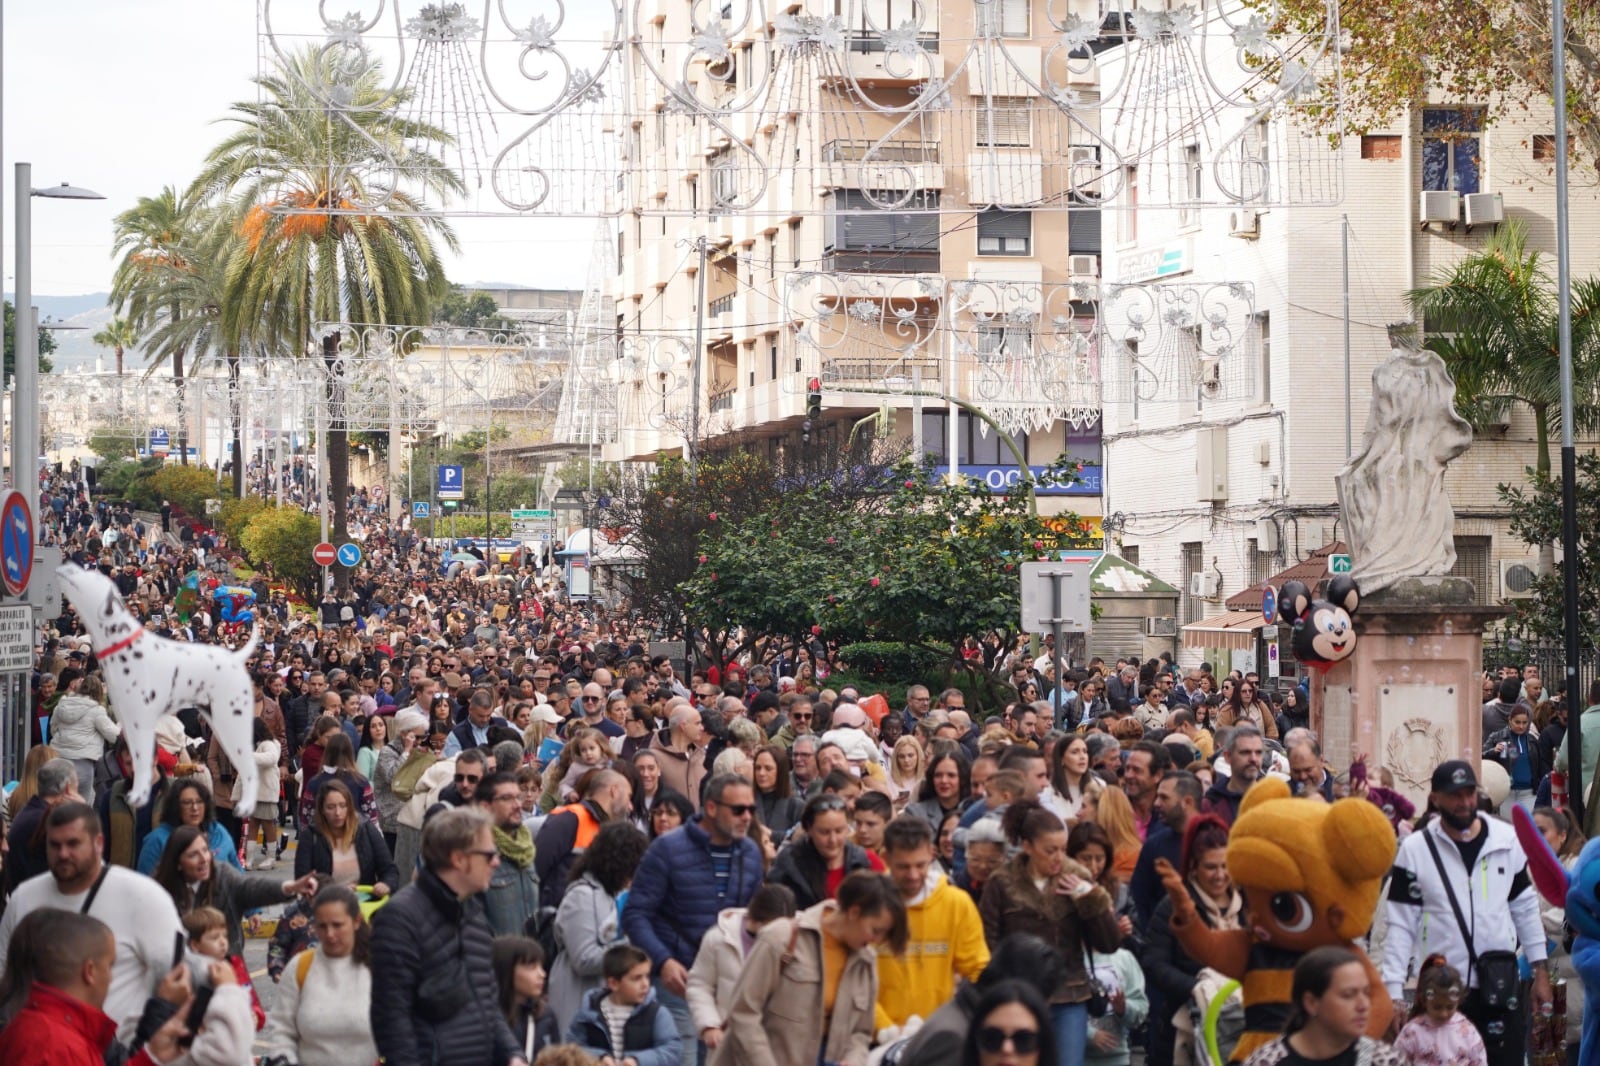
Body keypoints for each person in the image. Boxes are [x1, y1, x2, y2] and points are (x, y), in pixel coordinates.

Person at [1382, 759, 1550, 1066]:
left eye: (1469, 793)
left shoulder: (1505, 838)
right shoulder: (1415, 848)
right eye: (1455, 794)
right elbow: (1400, 925)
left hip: (1498, 983)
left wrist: (1540, 970)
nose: (1465, 802)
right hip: (1440, 990)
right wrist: (1393, 991)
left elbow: (1524, 907)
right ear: (1435, 799)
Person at [0, 803, 186, 1040]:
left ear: (99, 843)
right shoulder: (23, 898)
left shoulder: (144, 897)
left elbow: (176, 978)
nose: (63, 854)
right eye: (54, 845)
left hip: (120, 1052)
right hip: (41, 1049)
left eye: (73, 844)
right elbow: (6, 976)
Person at [624, 773, 766, 1066]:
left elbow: (753, 919)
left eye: (752, 810)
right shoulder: (667, 849)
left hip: (728, 985)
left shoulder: (750, 853)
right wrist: (664, 961)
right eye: (738, 809)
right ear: (711, 808)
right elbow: (636, 914)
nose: (747, 817)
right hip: (679, 981)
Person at [370, 806, 529, 1066]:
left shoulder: (472, 912)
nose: (496, 862)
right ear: (459, 859)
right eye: (489, 855)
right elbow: (392, 1019)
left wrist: (513, 1054)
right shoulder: (400, 918)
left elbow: (487, 1002)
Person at [711, 870, 907, 1066]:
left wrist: (854, 1059)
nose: (877, 940)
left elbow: (861, 1032)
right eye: (875, 930)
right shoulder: (782, 937)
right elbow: (744, 1011)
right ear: (854, 912)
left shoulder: (866, 961)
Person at [979, 799, 1122, 1065]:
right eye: (1050, 850)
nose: (1059, 857)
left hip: (1070, 993)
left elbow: (1109, 943)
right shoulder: (1001, 883)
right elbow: (987, 945)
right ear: (1027, 847)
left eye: (1063, 849)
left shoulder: (1078, 877)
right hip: (1017, 996)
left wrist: (1089, 898)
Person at [0, 909, 191, 1066]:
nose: (111, 977)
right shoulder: (58, 1045)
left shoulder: (50, 1030)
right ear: (89, 971)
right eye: (109, 965)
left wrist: (151, 1056)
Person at [1140, 814, 1240, 1066]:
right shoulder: (1173, 906)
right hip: (1185, 1026)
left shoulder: (1248, 904)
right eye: (1211, 867)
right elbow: (1153, 962)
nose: (1220, 875)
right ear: (1194, 866)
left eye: (1225, 866)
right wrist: (1196, 988)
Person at [875, 814, 991, 1030]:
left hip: (939, 1037)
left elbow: (978, 970)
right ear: (885, 858)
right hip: (879, 1040)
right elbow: (855, 982)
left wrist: (956, 1022)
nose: (913, 875)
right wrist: (885, 1029)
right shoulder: (869, 905)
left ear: (931, 854)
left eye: (920, 865)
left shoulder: (955, 903)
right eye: (903, 867)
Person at [895, 934, 1067, 1066]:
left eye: (1023, 1040)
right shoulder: (954, 1038)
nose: (1007, 1049)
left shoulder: (964, 1016)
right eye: (993, 1039)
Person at [547, 821, 651, 1033]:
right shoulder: (581, 895)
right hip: (578, 1000)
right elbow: (584, 958)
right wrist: (634, 945)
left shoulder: (613, 895)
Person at [152, 824, 317, 958]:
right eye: (193, 855)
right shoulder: (159, 893)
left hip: (228, 964)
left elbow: (249, 887)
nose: (203, 859)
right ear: (178, 863)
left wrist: (289, 888)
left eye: (205, 850)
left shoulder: (222, 874)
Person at [258, 885, 378, 1066]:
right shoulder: (300, 967)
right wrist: (284, 1059)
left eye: (337, 925)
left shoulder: (379, 968)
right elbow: (281, 1030)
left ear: (356, 921)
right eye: (322, 926)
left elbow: (401, 1031)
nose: (329, 934)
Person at [1242, 947, 1409, 1066]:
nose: (1363, 1005)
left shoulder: (1384, 1060)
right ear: (1311, 1003)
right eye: (1348, 995)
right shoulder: (1267, 1062)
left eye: (1366, 993)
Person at [686, 883, 798, 1052]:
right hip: (728, 1041)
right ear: (756, 919)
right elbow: (699, 985)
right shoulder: (718, 938)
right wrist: (709, 1025)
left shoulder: (796, 940)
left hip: (774, 1044)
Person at [566, 944, 681, 1066]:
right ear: (613, 983)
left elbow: (672, 1050)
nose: (645, 984)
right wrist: (600, 1057)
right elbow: (574, 1047)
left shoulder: (657, 1013)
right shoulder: (589, 1012)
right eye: (637, 978)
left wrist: (638, 1061)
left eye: (647, 976)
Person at [766, 792, 886, 908]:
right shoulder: (789, 864)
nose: (833, 840)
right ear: (809, 829)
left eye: (839, 831)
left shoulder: (867, 862)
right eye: (824, 832)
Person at [535, 768, 633, 908]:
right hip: (560, 916)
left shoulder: (606, 828)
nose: (630, 806)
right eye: (628, 797)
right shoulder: (570, 819)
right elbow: (539, 867)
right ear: (614, 791)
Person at [293, 777, 400, 896]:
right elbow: (302, 881)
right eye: (330, 807)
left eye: (342, 806)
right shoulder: (310, 836)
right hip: (326, 906)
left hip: (365, 905)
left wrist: (386, 884)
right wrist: (336, 891)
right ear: (322, 810)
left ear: (349, 806)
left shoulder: (366, 829)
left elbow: (389, 870)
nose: (338, 813)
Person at [1127, 770, 1202, 926]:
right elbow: (1139, 898)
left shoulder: (1215, 843)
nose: (1156, 804)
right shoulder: (1153, 845)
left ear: (1187, 802)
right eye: (1157, 797)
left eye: (1164, 798)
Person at [135, 777, 243, 877]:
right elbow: (145, 885)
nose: (194, 808)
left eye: (199, 801)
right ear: (175, 806)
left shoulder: (218, 831)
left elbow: (239, 874)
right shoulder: (157, 840)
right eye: (187, 803)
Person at [1392, 954, 1488, 1066]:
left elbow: (1479, 1061)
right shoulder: (1413, 1030)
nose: (1444, 1013)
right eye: (1437, 1007)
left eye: (1450, 1007)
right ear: (1424, 1000)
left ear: (1458, 1001)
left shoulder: (1467, 1030)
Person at [477, 772, 541, 936]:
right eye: (507, 798)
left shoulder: (527, 849)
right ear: (486, 806)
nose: (517, 805)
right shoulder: (477, 855)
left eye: (517, 797)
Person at [5, 757, 82, 893]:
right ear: (68, 789)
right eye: (77, 786)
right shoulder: (48, 822)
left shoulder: (29, 813)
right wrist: (84, 812)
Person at [47, 676, 120, 804]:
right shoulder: (96, 711)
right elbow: (113, 736)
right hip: (82, 762)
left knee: (57, 802)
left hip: (58, 758)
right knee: (81, 804)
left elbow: (53, 729)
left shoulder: (62, 705)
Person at [492, 936, 560, 1064]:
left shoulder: (546, 1015)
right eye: (531, 967)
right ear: (507, 970)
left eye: (541, 966)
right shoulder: (490, 1019)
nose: (542, 974)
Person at [1483, 704, 1545, 816]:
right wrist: (1493, 751)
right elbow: (1481, 757)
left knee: (1527, 827)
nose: (1521, 726)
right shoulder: (1497, 737)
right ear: (1510, 720)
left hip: (1529, 792)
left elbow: (1540, 764)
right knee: (1508, 828)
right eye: (1517, 722)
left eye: (1525, 723)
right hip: (1506, 793)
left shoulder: (1532, 740)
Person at [1204, 725, 1264, 825]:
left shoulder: (1272, 800)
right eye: (1245, 752)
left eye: (1258, 752)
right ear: (1227, 756)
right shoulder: (1211, 804)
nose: (1253, 759)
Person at [906, 751, 970, 835]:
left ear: (963, 779)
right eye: (938, 775)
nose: (944, 781)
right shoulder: (915, 814)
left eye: (951, 775)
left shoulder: (972, 812)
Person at [751, 744, 803, 839]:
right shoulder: (746, 802)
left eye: (768, 768)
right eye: (758, 768)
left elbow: (800, 839)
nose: (761, 773)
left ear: (780, 771)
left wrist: (773, 835)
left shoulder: (795, 805)